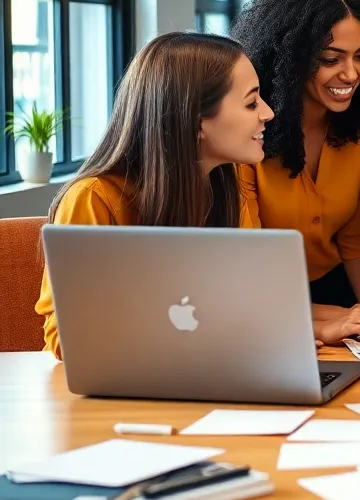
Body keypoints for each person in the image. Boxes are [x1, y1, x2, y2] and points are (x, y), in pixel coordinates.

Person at [35, 33, 273, 359]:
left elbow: (251, 305)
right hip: (127, 392)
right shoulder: (93, 198)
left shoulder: (227, 186)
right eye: (251, 102)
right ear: (195, 119)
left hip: (212, 370)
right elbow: (66, 340)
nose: (268, 113)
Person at [232, 0, 360, 344]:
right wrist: (335, 321)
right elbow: (247, 263)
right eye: (331, 58)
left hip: (335, 291)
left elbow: (357, 237)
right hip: (258, 300)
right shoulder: (247, 132)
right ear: (289, 59)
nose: (351, 73)